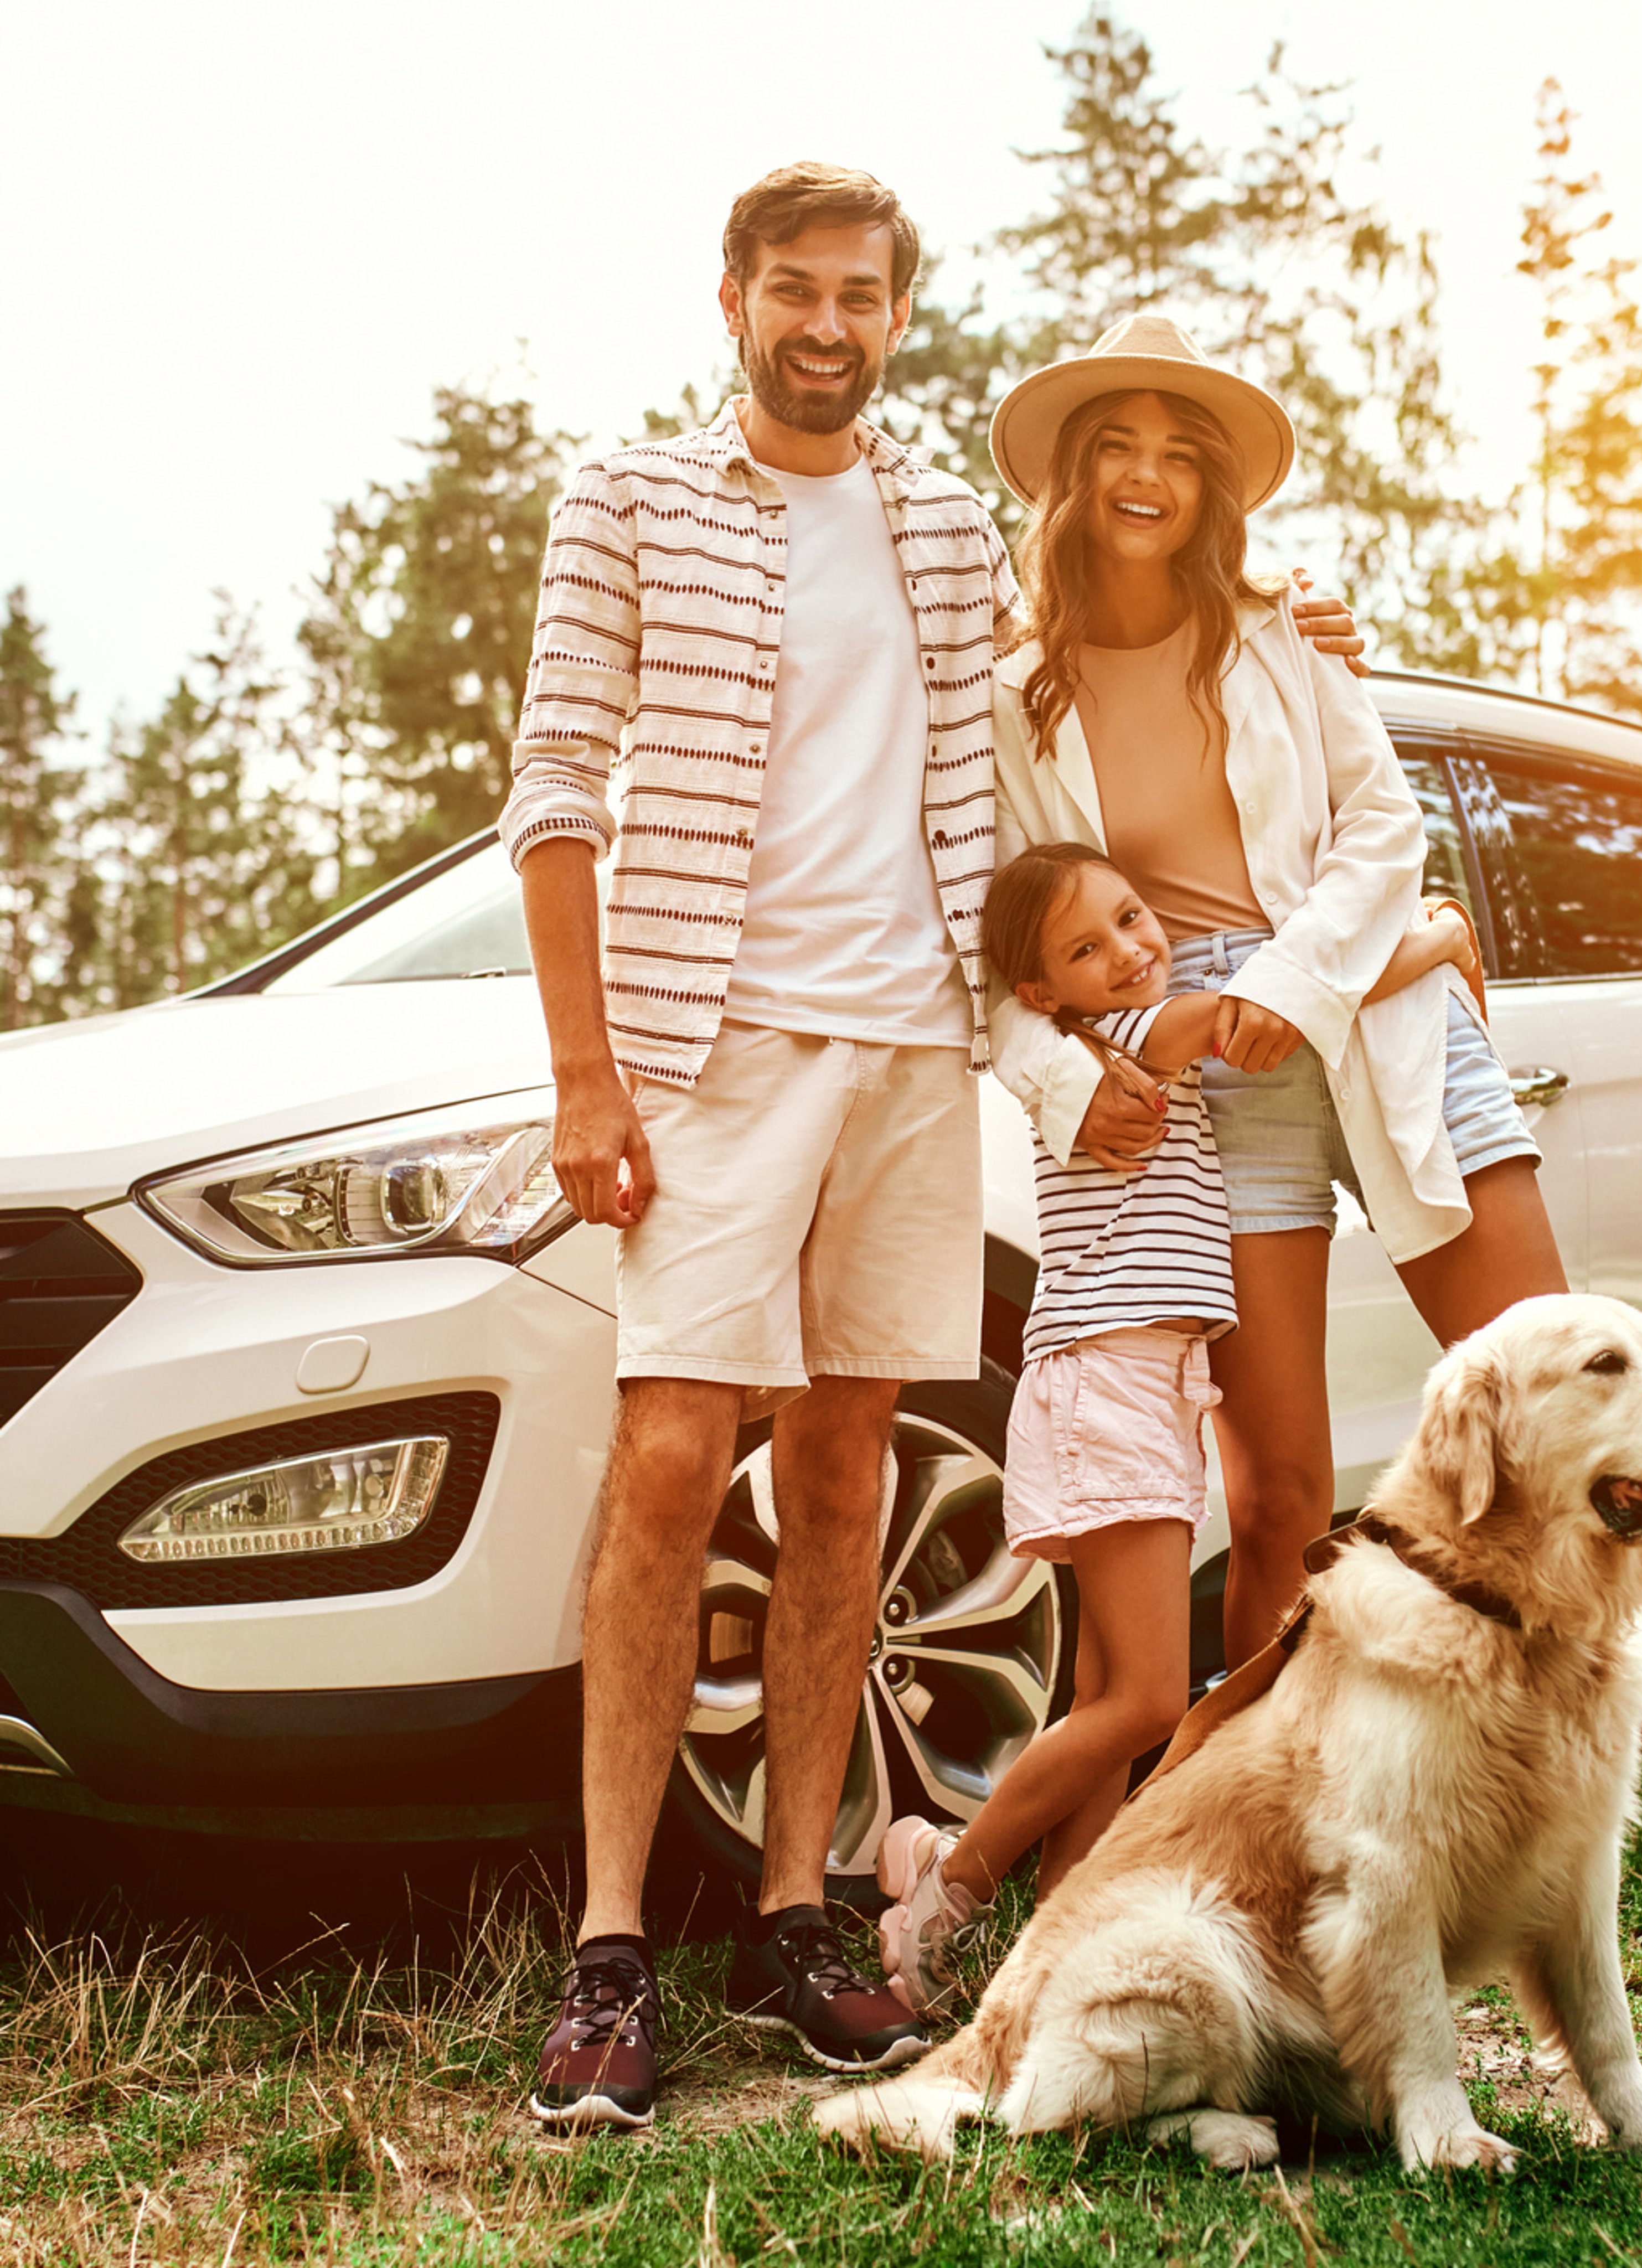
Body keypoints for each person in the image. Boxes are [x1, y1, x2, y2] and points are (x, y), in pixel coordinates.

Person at [504, 168, 1367, 2127]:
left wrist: (1296, 626)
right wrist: (584, 1072)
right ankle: (611, 1944)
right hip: (709, 1050)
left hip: (910, 1052)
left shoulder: (943, 521)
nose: (828, 324)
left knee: (845, 1472)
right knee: (665, 1457)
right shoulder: (625, 503)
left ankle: (801, 1911)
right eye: (793, 291)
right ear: (733, 299)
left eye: (862, 297)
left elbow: (1071, 692)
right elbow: (555, 789)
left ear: (900, 317)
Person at [982, 314, 1642, 2026]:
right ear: (1073, 475)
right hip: (1213, 1080)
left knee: (1593, 1431)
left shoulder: (1288, 633)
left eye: (1179, 449)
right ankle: (1264, 1868)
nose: (1147, 474)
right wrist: (1096, 1068)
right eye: (1117, 445)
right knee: (1284, 1503)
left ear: (1212, 483)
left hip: (1375, 1024)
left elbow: (1381, 833)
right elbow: (993, 936)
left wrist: (1289, 984)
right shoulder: (1011, 689)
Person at [872, 843, 1482, 2014]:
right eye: (1087, 948)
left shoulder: (1117, 1034)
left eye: (1134, 919)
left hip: (1135, 1383)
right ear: (1041, 998)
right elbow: (1273, 1010)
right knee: (1147, 1702)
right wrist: (1436, 941)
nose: (1130, 952)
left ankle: (1049, 1954)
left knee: (1105, 1696)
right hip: (1111, 1382)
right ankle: (948, 1884)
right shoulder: (1133, 1040)